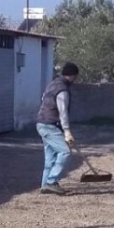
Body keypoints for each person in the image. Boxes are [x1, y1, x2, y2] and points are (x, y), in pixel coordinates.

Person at [35, 62, 79, 194]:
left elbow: (43, 99)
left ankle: (45, 185)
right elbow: (62, 111)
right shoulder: (62, 90)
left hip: (42, 123)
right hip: (50, 125)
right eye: (75, 77)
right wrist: (67, 131)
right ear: (72, 76)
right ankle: (51, 181)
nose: (75, 80)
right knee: (65, 152)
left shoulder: (52, 84)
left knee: (50, 156)